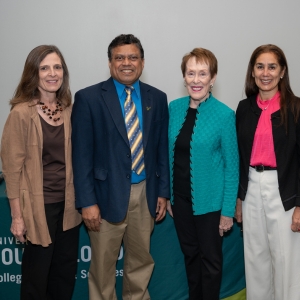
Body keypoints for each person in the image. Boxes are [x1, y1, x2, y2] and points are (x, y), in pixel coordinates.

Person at [71, 34, 170, 300]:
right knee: (103, 269)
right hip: (104, 197)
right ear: (110, 62)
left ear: (142, 62)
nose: (127, 63)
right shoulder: (88, 98)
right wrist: (87, 202)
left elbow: (161, 149)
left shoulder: (157, 98)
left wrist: (163, 191)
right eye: (120, 58)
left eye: (133, 57)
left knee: (140, 263)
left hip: (145, 192)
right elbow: (80, 156)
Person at [235, 44, 300, 300]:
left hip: (285, 190)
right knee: (255, 256)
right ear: (253, 72)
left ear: (282, 72)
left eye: (272, 66)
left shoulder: (298, 108)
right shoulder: (243, 108)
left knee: (286, 258)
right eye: (260, 66)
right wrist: (238, 198)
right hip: (251, 188)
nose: (265, 72)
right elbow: (239, 156)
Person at [1, 45, 82, 299]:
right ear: (33, 74)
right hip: (37, 209)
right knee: (36, 280)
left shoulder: (69, 110)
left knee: (64, 275)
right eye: (44, 68)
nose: (52, 73)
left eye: (57, 67)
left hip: (69, 207)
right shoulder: (21, 114)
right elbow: (12, 171)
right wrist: (17, 217)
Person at [167, 48, 239, 300]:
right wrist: (169, 196)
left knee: (210, 264)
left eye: (202, 73)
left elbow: (232, 168)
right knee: (191, 258)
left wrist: (227, 211)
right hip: (181, 203)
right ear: (184, 77)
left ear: (213, 78)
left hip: (211, 207)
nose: (196, 80)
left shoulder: (224, 115)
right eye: (191, 73)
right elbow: (168, 156)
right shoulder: (173, 109)